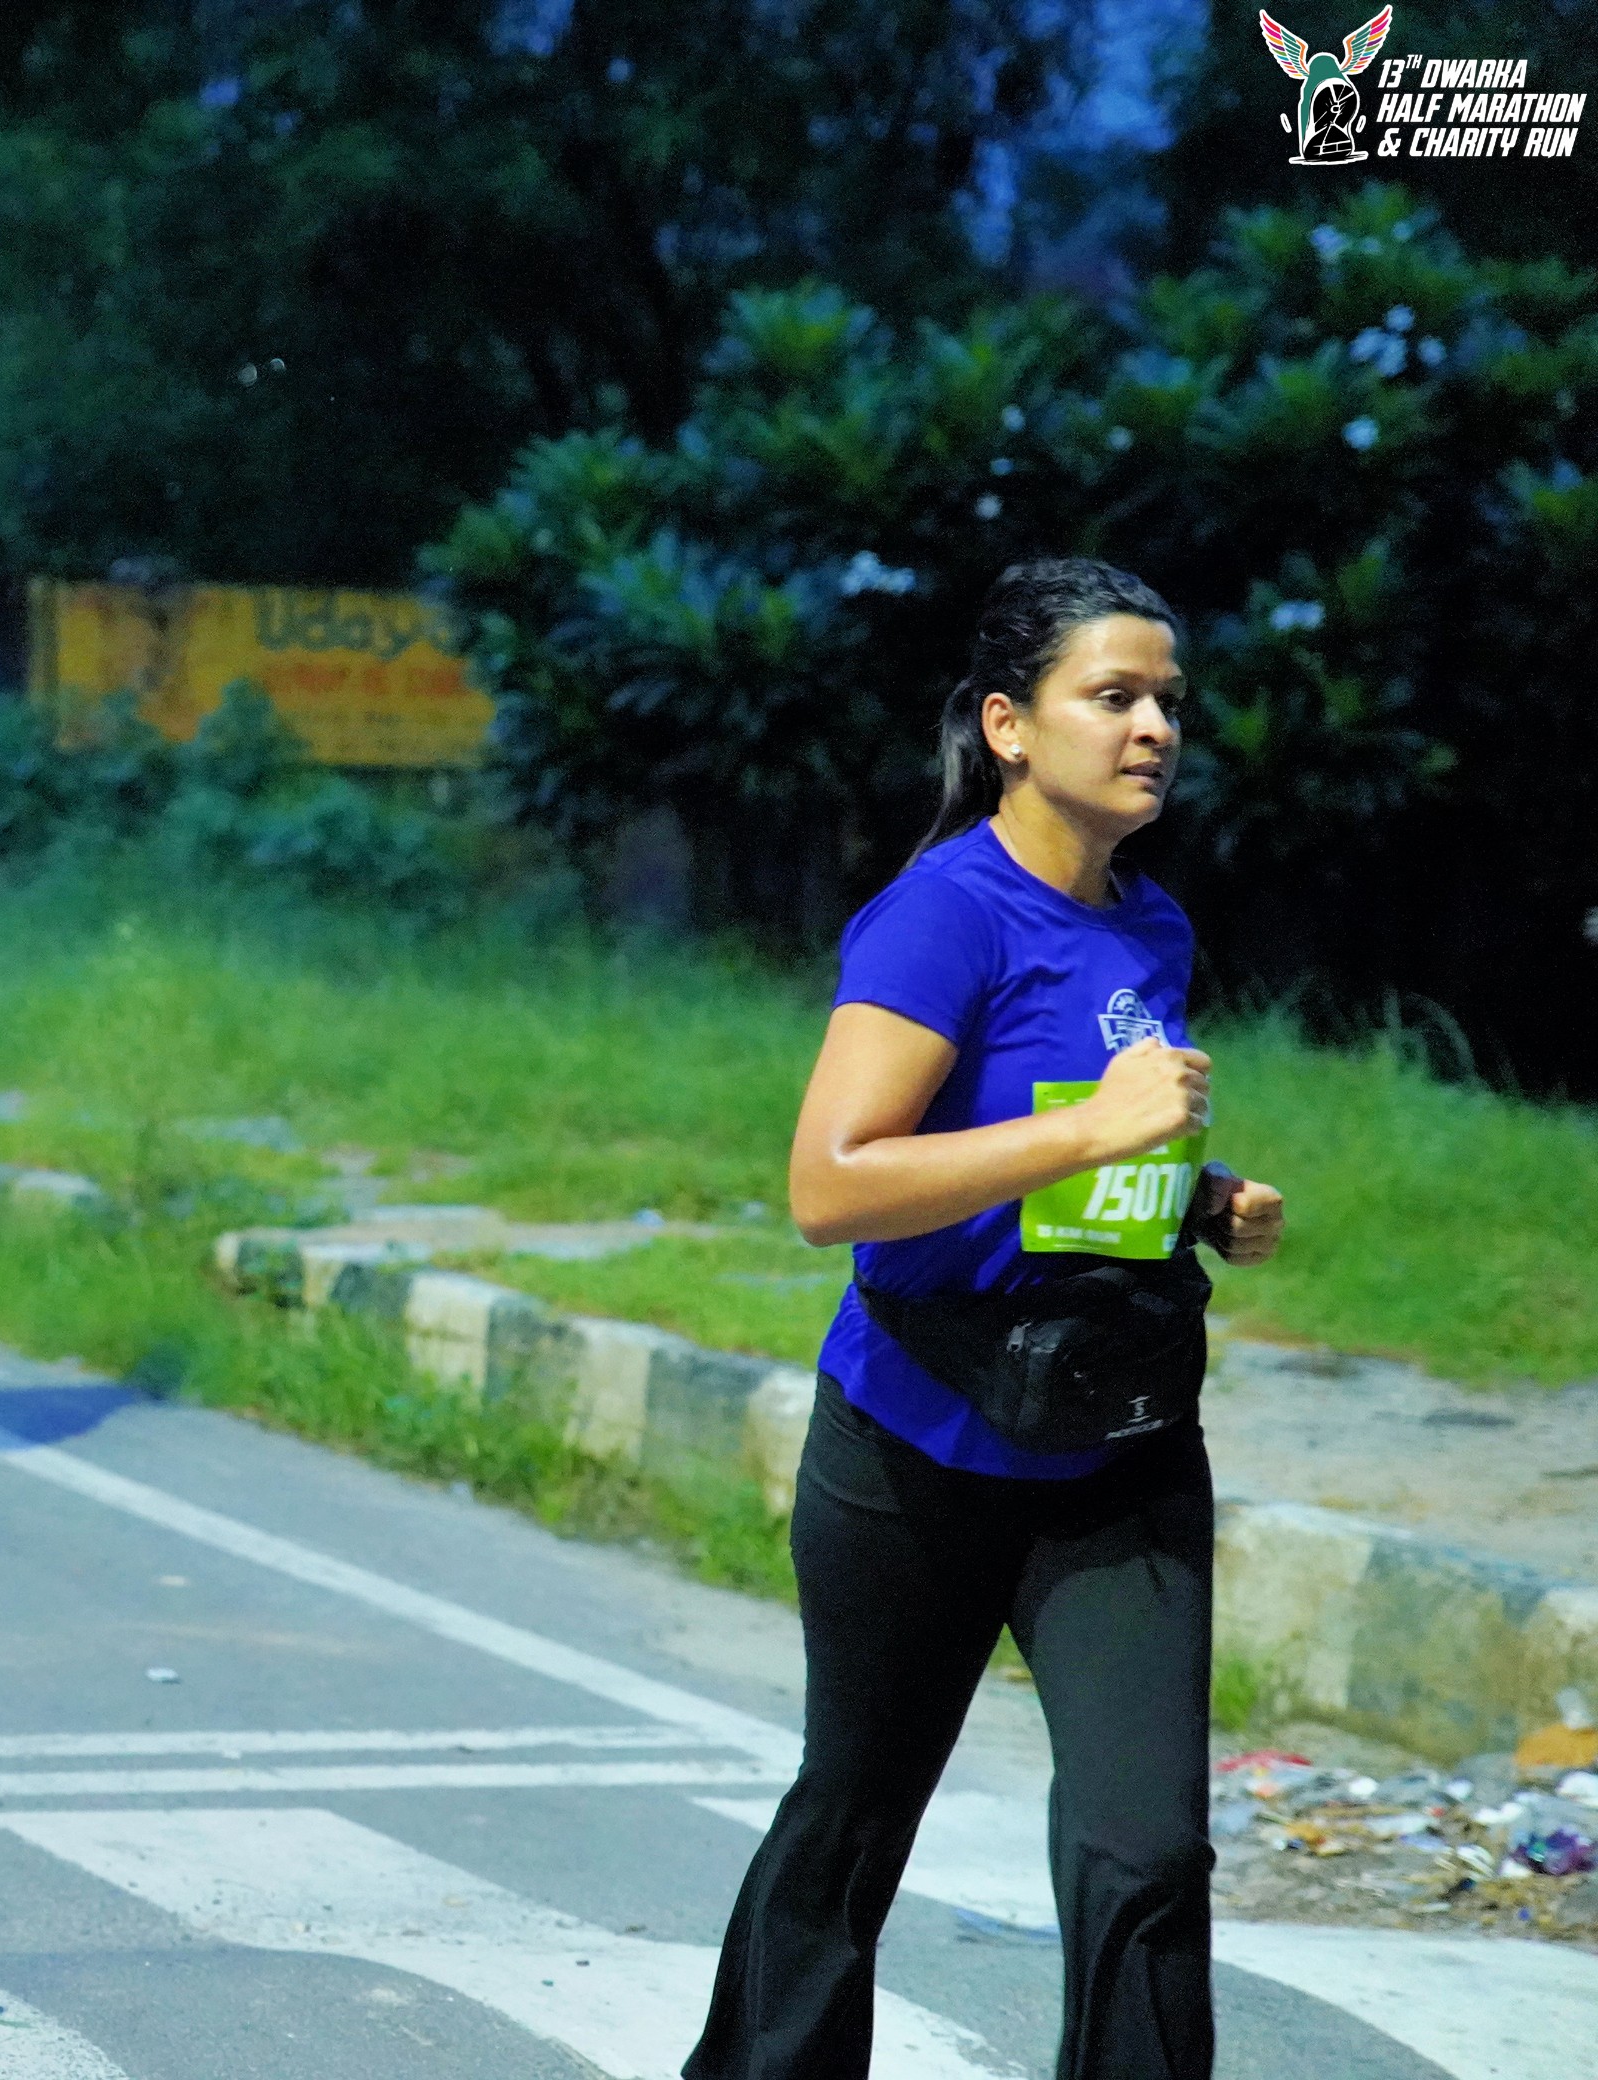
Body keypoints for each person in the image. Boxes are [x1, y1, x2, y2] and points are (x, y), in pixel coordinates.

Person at [687, 559, 1287, 2080]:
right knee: (854, 1817)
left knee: (1149, 1849)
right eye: (1116, 695)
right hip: (918, 1442)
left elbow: (1070, 1158)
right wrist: (1093, 1133)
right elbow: (831, 1184)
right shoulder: (941, 917)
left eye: (1169, 701)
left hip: (1114, 1440)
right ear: (1011, 727)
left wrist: (1196, 1193)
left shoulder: (1151, 927)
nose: (1155, 728)